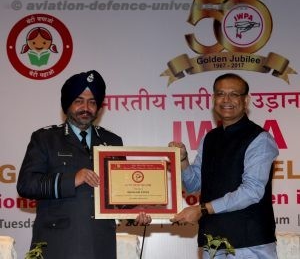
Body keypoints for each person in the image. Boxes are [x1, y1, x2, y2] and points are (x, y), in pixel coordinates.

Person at [17, 70, 151, 259]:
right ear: (67, 104)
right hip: (57, 245)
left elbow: (118, 193)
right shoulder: (45, 138)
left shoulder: (112, 141)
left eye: (92, 102)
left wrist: (134, 211)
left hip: (100, 244)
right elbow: (26, 185)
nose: (86, 107)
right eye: (79, 100)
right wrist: (72, 179)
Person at [169, 73, 279, 258]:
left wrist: (202, 209)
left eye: (234, 94)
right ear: (213, 99)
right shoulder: (209, 138)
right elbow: (193, 185)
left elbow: (252, 191)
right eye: (220, 94)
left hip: (249, 242)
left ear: (246, 100)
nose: (226, 100)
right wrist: (182, 160)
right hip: (213, 241)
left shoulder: (260, 139)